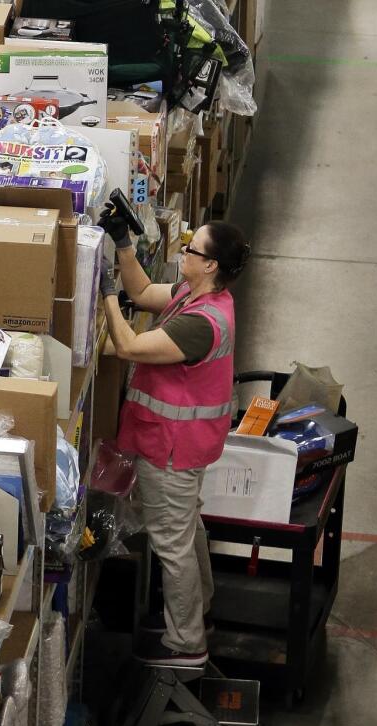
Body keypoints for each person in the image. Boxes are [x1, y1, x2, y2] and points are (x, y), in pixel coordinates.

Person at [97, 212, 251, 666]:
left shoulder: (200, 323)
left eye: (192, 249)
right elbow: (143, 292)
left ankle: (186, 645)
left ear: (210, 266)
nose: (184, 250)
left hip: (172, 448)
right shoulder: (196, 294)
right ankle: (198, 612)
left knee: (171, 541)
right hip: (180, 441)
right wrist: (123, 243)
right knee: (187, 528)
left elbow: (126, 346)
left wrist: (103, 289)